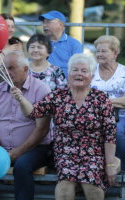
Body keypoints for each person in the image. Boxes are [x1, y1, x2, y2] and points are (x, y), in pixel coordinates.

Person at [11, 53, 118, 200]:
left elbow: (110, 133)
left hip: (93, 152)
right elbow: (33, 112)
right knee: (64, 190)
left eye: (84, 71)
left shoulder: (101, 98)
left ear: (92, 77)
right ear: (68, 74)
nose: (79, 74)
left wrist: (110, 164)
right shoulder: (58, 96)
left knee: (92, 188)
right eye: (75, 70)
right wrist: (21, 99)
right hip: (65, 153)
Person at [0, 50, 52, 200]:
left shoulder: (41, 89)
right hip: (2, 148)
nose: (7, 73)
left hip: (35, 148)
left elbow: (42, 129)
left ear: (26, 69)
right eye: (4, 68)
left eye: (11, 68)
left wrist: (18, 152)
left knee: (21, 166)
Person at [91, 35, 125, 171]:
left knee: (114, 131)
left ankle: (119, 169)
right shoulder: (90, 70)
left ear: (115, 53)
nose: (99, 54)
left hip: (120, 116)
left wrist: (102, 101)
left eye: (103, 51)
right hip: (93, 115)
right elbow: (83, 97)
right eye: (97, 51)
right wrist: (116, 101)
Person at [39, 10, 82, 78]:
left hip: (66, 84)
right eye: (43, 22)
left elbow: (79, 68)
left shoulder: (74, 44)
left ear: (61, 25)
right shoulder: (40, 43)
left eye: (48, 22)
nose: (44, 25)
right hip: (44, 82)